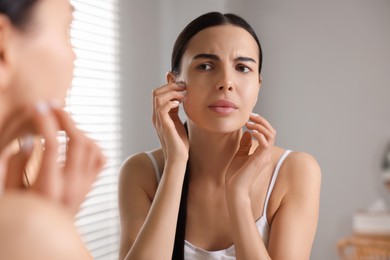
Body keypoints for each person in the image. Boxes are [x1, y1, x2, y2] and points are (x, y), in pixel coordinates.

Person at [119, 12, 321, 260]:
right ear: (174, 83)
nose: (226, 82)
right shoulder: (142, 173)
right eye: (205, 66)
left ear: (258, 86)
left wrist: (238, 197)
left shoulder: (295, 171)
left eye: (242, 68)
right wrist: (175, 164)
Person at [0, 0, 105, 259]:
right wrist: (46, 226)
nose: (74, 56)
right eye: (65, 28)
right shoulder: (30, 228)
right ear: (3, 47)